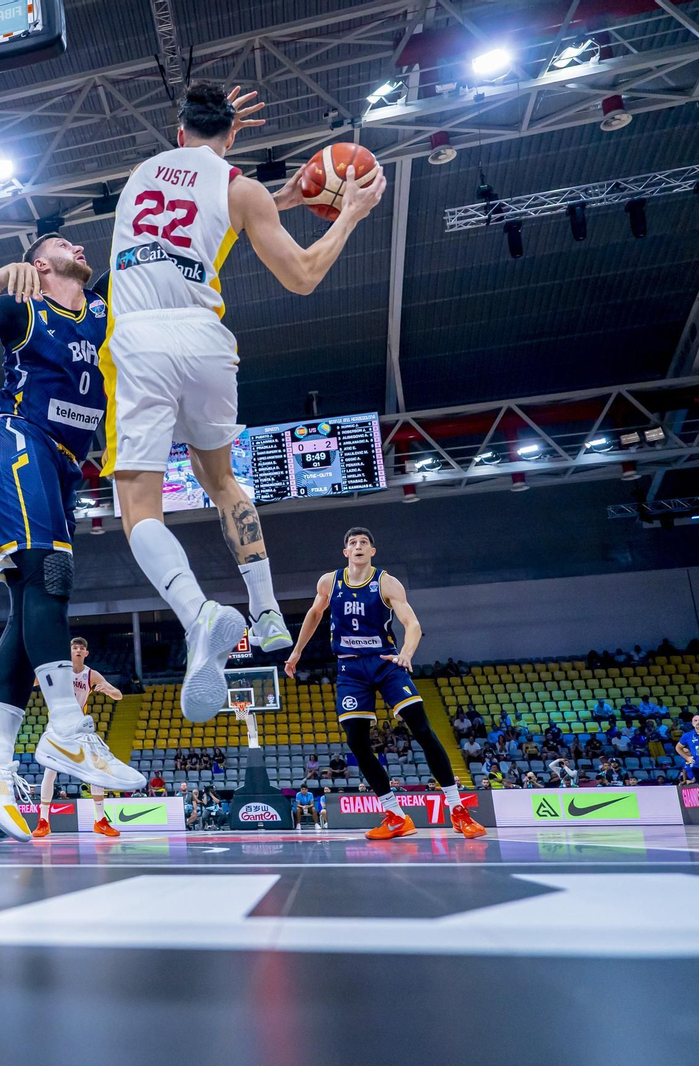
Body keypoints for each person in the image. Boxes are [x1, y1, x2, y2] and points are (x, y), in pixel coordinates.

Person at [101, 82, 387, 721]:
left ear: (179, 131)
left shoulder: (138, 176)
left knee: (139, 506)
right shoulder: (243, 190)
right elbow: (301, 274)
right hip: (206, 340)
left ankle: (197, 614)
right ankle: (266, 611)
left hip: (141, 339)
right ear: (232, 137)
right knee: (222, 479)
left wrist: (268, 195)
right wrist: (347, 213)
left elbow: (180, 220)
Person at [0, 231, 144, 841]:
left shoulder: (100, 306)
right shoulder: (22, 308)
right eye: (64, 244)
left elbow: (162, 244)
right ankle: (68, 727)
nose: (80, 246)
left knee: (31, 602)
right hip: (18, 440)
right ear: (40, 264)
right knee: (50, 577)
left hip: (65, 464)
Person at [284, 528, 484, 841]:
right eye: (353, 543)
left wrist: (406, 654)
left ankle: (457, 809)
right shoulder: (329, 582)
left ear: (372, 551)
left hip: (386, 662)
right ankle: (395, 815)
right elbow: (314, 614)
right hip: (350, 668)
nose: (358, 546)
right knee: (357, 743)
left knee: (422, 730)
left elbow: (412, 623)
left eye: (364, 543)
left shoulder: (387, 583)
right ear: (345, 552)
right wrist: (297, 652)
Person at [33, 637, 126, 838]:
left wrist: (108, 689)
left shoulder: (91, 674)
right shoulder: (59, 671)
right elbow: (31, 681)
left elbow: (118, 695)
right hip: (57, 725)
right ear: (70, 651)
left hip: (79, 727)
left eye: (81, 648)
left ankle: (100, 821)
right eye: (74, 647)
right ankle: (43, 821)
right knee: (50, 771)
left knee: (97, 768)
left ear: (86, 653)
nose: (78, 650)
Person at [677, 713, 699, 784]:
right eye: (695, 720)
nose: (698, 722)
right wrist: (687, 757)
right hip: (697, 767)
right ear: (692, 723)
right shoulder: (687, 736)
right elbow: (678, 747)